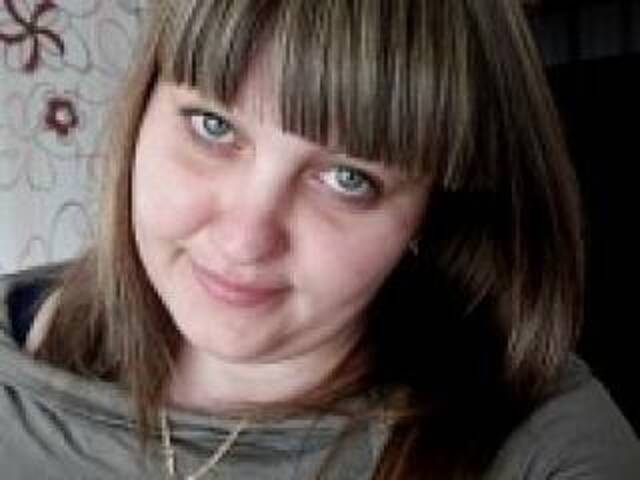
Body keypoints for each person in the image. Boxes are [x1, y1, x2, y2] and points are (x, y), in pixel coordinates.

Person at [0, 0, 638, 478]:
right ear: (142, 110)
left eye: (347, 178)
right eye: (212, 126)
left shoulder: (546, 451)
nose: (245, 240)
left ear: (432, 212)